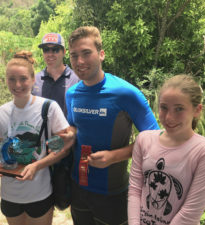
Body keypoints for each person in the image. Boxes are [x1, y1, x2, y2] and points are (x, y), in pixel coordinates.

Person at [66, 26, 160, 225]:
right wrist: (65, 136)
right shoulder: (72, 93)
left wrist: (113, 157)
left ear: (101, 54)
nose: (79, 61)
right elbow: (74, 128)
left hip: (113, 192)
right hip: (78, 186)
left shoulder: (126, 93)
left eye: (86, 53)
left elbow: (156, 140)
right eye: (74, 55)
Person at [0, 50, 75, 225]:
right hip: (9, 194)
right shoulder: (1, 113)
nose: (17, 84)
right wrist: (0, 162)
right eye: (11, 79)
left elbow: (63, 147)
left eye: (23, 79)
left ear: (33, 79)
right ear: (5, 80)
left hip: (39, 193)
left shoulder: (48, 108)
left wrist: (37, 165)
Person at [128, 74, 205, 225]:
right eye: (164, 107)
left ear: (197, 110)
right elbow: (135, 190)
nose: (169, 117)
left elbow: (189, 214)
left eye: (179, 109)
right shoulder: (143, 139)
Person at [32, 32, 79, 115]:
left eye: (55, 49)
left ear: (64, 52)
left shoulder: (76, 79)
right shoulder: (34, 80)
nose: (50, 54)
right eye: (46, 50)